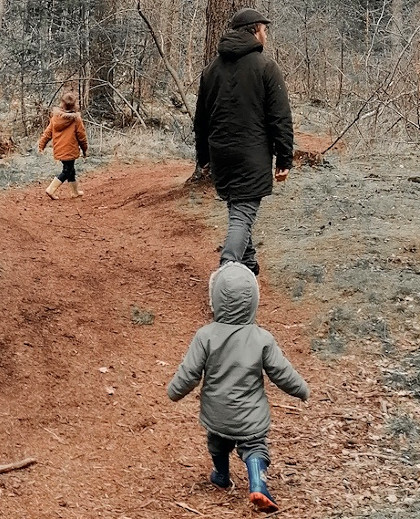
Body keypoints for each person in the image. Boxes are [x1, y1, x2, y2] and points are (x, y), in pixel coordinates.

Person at [168, 262, 309, 513]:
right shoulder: (261, 338)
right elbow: (281, 372)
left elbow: (189, 372)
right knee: (254, 446)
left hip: (217, 412)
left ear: (215, 299)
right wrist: (301, 389)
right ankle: (257, 482)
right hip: (250, 415)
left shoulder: (206, 335)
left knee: (217, 442)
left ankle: (221, 475)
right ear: (254, 299)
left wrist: (174, 391)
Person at [194, 8, 296, 275]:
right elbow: (280, 118)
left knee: (238, 209)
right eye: (264, 30)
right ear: (254, 30)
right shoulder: (266, 67)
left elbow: (201, 120)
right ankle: (228, 271)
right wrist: (285, 158)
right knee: (242, 214)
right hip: (252, 155)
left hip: (221, 155)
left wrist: (203, 157)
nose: (266, 35)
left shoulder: (210, 70)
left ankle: (248, 264)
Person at [37, 92, 89, 199]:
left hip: (59, 149)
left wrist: (41, 145)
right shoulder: (76, 120)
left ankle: (74, 192)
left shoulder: (55, 118)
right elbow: (81, 136)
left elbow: (47, 133)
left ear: (61, 104)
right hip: (70, 150)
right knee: (67, 171)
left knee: (71, 169)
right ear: (75, 105)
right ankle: (50, 189)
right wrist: (85, 149)